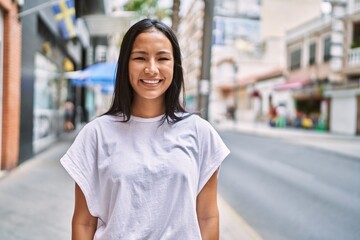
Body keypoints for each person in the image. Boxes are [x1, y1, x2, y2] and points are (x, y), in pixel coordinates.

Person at [60, 18, 230, 240]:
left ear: (174, 65)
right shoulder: (96, 134)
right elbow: (84, 221)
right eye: (140, 58)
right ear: (125, 65)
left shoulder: (200, 132)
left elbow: (207, 217)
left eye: (162, 58)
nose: (151, 68)